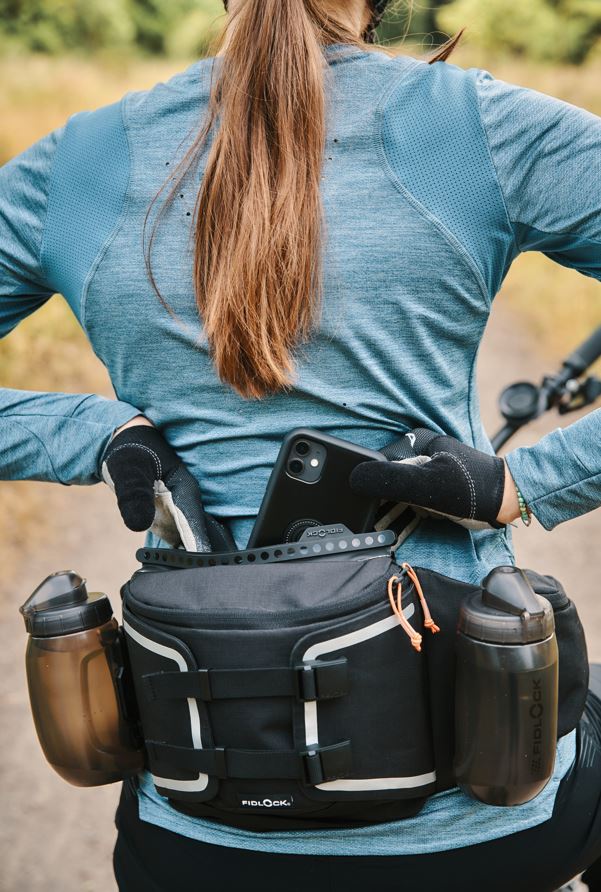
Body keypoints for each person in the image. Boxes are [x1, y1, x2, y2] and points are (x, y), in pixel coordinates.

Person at [1, 0, 600, 889]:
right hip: (485, 819)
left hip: (197, 828)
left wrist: (94, 432)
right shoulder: (478, 128)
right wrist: (525, 484)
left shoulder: (76, 166)